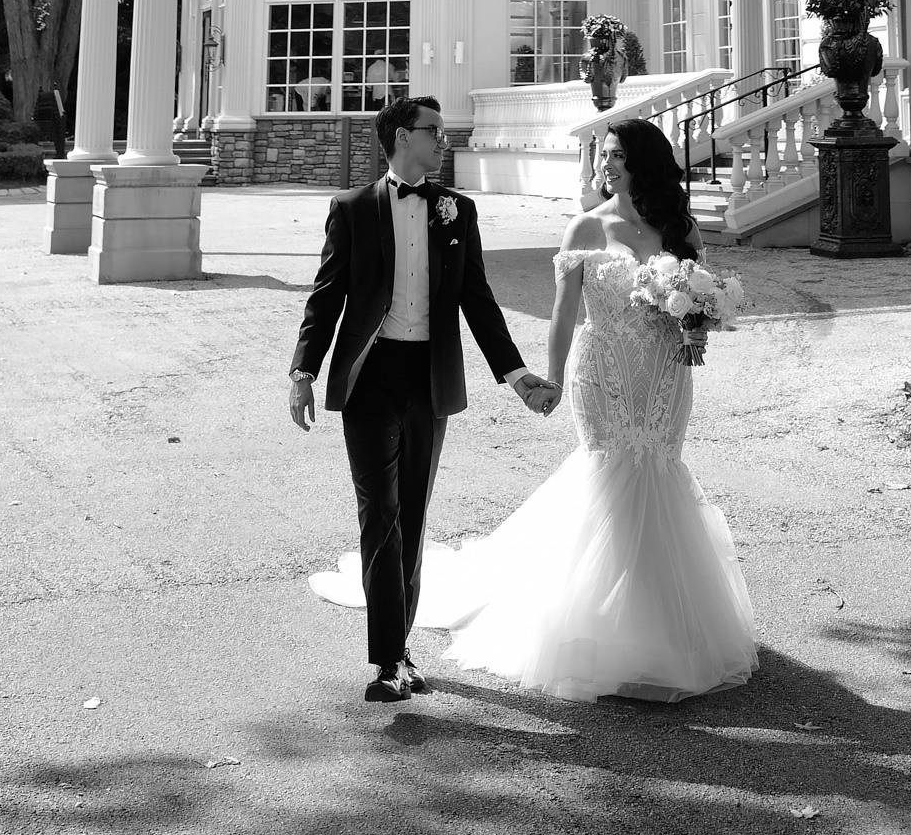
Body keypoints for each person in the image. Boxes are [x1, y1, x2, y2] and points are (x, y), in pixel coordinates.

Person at [310, 113, 758, 703]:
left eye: (618, 155)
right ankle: (588, 631)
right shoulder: (584, 229)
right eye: (604, 154)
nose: (606, 163)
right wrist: (545, 378)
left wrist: (697, 324)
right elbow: (563, 315)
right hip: (601, 375)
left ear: (643, 163)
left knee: (658, 472)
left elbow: (694, 303)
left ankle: (663, 623)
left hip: (665, 377)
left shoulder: (679, 231)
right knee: (611, 473)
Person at [289, 93, 558, 704]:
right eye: (434, 131)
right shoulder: (352, 209)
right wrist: (303, 371)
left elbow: (479, 302)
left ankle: (401, 650)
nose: (444, 140)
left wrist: (518, 379)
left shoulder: (456, 212)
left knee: (411, 513)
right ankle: (388, 661)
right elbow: (325, 296)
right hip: (370, 377)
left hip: (428, 380)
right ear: (401, 137)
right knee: (378, 513)